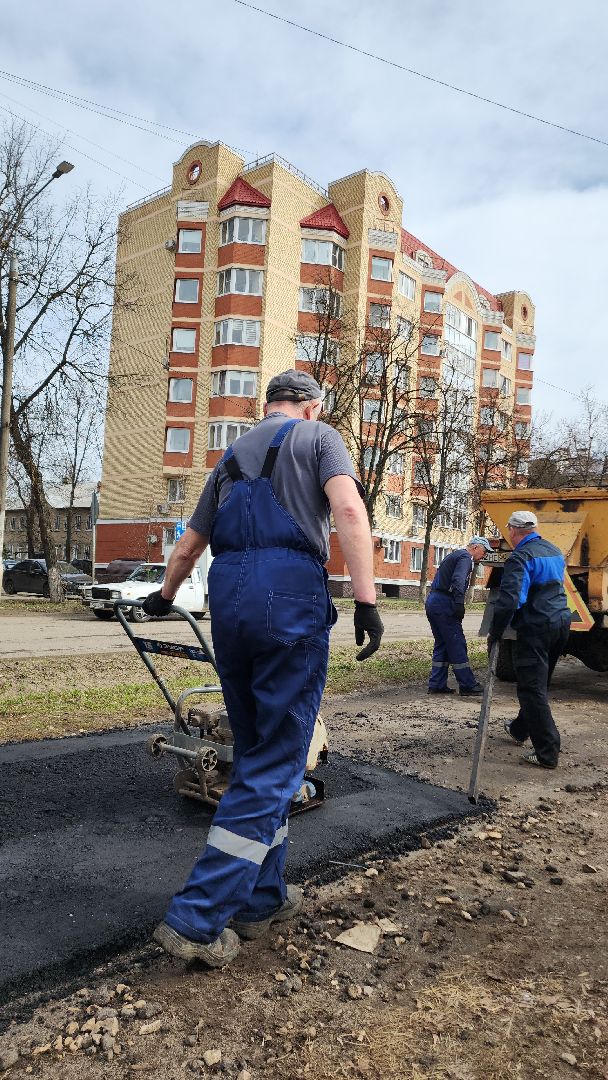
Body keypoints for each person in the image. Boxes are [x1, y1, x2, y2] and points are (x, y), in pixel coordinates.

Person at [141, 369, 384, 967]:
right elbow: (349, 513)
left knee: (253, 754)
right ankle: (196, 919)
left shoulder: (228, 460)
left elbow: (187, 546)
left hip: (229, 597)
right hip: (287, 595)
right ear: (310, 406)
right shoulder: (320, 437)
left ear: (266, 406)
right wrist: (368, 600)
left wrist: (165, 596)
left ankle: (262, 898)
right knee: (279, 761)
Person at [488, 510, 571, 769]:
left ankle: (547, 752)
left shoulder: (521, 556)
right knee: (539, 683)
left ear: (513, 531)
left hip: (536, 626)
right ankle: (520, 729)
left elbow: (510, 600)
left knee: (531, 689)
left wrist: (496, 632)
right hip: (561, 623)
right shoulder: (554, 550)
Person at [426, 536, 493, 696]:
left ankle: (436, 684)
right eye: (484, 552)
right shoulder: (465, 557)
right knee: (456, 643)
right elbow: (458, 579)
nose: (483, 556)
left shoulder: (454, 555)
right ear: (476, 547)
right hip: (445, 603)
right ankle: (467, 684)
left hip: (434, 601)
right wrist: (458, 603)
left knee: (442, 643)